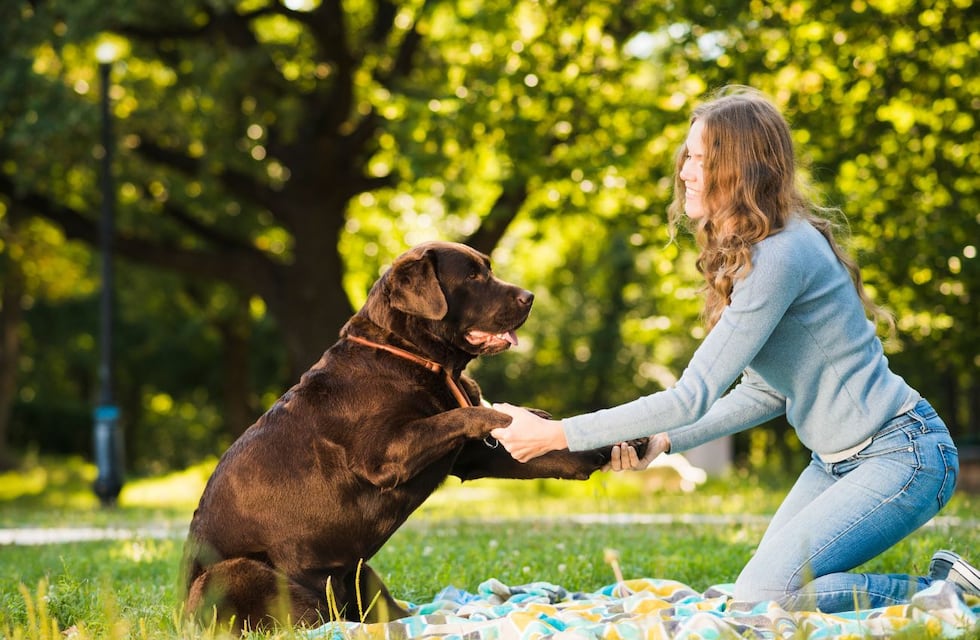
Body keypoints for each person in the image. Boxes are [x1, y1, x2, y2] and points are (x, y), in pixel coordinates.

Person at [489, 86, 979, 613]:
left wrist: (556, 434)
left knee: (765, 597)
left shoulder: (780, 255)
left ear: (743, 168)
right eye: (689, 157)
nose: (686, 171)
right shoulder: (760, 250)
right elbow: (765, 393)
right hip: (836, 463)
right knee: (764, 596)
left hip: (902, 454)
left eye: (702, 158)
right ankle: (948, 588)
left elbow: (691, 396)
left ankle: (956, 594)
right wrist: (663, 441)